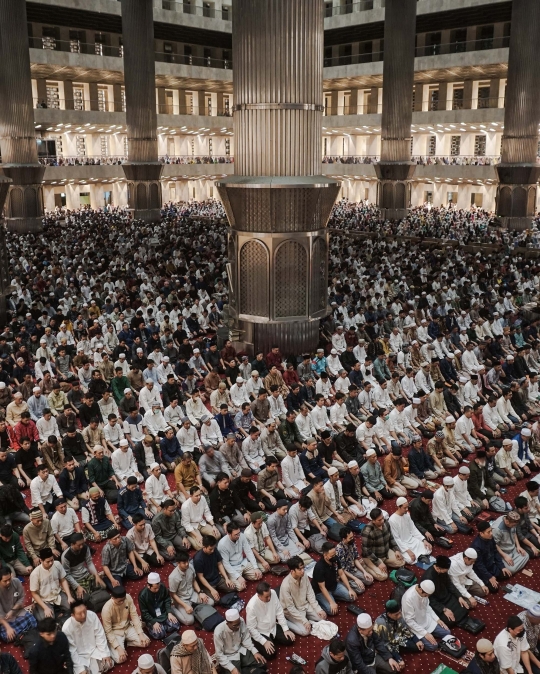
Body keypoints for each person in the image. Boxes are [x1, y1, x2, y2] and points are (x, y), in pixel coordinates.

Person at [62, 599, 114, 673]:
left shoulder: (92, 615)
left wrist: (104, 654)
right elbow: (72, 650)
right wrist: (80, 669)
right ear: (72, 615)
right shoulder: (67, 627)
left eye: (84, 611)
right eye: (80, 613)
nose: (83, 615)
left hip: (94, 650)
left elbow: (99, 635)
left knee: (109, 663)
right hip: (80, 656)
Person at [246, 581, 295, 659]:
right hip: (261, 632)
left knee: (290, 639)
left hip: (273, 627)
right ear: (259, 596)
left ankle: (272, 639)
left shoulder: (273, 593)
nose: (269, 598)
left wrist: (285, 629)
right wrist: (264, 641)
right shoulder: (251, 606)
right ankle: (263, 642)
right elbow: (251, 629)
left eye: (270, 595)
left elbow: (279, 611)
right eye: (266, 597)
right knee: (271, 654)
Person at [101, 586, 150, 664]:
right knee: (120, 659)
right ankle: (114, 645)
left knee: (146, 642)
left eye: (123, 600)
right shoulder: (106, 609)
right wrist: (119, 648)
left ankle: (127, 642)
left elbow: (134, 616)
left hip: (128, 627)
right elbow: (108, 631)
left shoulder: (128, 597)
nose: (122, 602)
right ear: (112, 598)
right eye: (119, 601)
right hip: (115, 632)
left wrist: (140, 634)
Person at [279, 555, 326, 636]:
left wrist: (318, 609)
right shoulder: (285, 585)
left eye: (303, 568)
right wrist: (304, 620)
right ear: (292, 571)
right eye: (299, 569)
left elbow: (310, 593)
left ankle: (307, 619)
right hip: (292, 611)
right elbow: (290, 608)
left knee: (322, 617)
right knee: (305, 631)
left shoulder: (304, 576)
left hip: (305, 605)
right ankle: (284, 622)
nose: (303, 571)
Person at [401, 579, 451, 652]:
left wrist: (437, 619)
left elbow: (427, 607)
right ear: (420, 590)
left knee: (447, 632)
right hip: (416, 627)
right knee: (433, 646)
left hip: (426, 620)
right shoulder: (408, 598)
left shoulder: (424, 592)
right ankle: (416, 640)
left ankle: (431, 634)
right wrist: (425, 633)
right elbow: (409, 621)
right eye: (426, 595)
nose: (427, 596)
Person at [168, 550, 214, 626]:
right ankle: (173, 609)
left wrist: (200, 592)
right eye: (184, 563)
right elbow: (173, 594)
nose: (187, 564)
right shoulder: (173, 577)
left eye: (187, 561)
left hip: (193, 594)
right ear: (178, 563)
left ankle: (194, 607)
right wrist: (185, 606)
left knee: (211, 602)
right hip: (182, 600)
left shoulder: (190, 567)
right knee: (189, 621)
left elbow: (194, 581)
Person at [421, 555, 469, 628]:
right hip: (437, 602)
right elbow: (429, 599)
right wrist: (443, 609)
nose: (447, 571)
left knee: (464, 609)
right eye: (445, 570)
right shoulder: (427, 578)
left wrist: (459, 596)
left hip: (447, 597)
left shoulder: (443, 571)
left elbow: (449, 584)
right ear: (438, 568)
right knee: (450, 622)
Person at [213, 608, 266, 673]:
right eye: (235, 625)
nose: (238, 627)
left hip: (241, 650)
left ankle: (247, 670)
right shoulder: (219, 632)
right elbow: (219, 654)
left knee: (262, 663)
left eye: (239, 624)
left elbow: (245, 639)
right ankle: (249, 670)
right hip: (228, 657)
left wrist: (254, 651)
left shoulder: (241, 621)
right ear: (227, 624)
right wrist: (231, 668)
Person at [312, 541, 357, 615]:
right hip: (321, 591)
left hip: (334, 585)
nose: (334, 557)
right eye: (331, 556)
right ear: (325, 555)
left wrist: (349, 589)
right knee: (332, 611)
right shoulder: (319, 567)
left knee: (352, 597)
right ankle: (323, 600)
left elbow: (341, 573)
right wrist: (331, 602)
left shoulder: (335, 558)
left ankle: (333, 596)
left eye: (334, 554)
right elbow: (322, 587)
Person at [30, 547, 74, 622]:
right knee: (48, 620)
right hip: (44, 599)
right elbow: (34, 593)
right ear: (41, 561)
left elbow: (63, 580)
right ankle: (37, 609)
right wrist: (45, 608)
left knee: (73, 607)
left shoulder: (57, 564)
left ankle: (56, 611)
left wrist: (69, 596)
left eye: (52, 560)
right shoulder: (35, 574)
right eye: (48, 561)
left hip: (57, 594)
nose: (51, 563)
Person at [361, 508, 405, 581]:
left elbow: (391, 537)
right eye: (379, 520)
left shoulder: (386, 523)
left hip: (385, 553)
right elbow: (367, 551)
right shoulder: (367, 532)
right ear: (373, 521)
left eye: (382, 518)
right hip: (373, 557)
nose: (382, 521)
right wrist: (378, 563)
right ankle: (365, 566)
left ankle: (384, 564)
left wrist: (396, 549)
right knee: (383, 576)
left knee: (402, 561)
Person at [217, 522, 262, 591]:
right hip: (232, 567)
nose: (238, 536)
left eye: (239, 533)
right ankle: (240, 576)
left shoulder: (242, 536)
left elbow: (248, 551)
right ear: (229, 534)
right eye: (236, 535)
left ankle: (244, 575)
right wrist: (238, 577)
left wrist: (255, 567)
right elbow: (226, 564)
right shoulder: (222, 544)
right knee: (241, 587)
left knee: (259, 575)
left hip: (243, 563)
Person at [267, 500, 313, 565]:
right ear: (278, 509)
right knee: (284, 559)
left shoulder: (286, 515)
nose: (286, 511)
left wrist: (296, 541)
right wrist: (282, 549)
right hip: (277, 543)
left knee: (302, 548)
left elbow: (289, 529)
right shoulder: (271, 520)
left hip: (286, 539)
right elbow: (273, 537)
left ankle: (294, 558)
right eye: (284, 509)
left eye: (286, 509)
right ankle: (297, 557)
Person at [471, 521, 512, 593]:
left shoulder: (490, 538)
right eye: (488, 532)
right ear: (481, 533)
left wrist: (502, 566)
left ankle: (494, 577)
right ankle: (491, 578)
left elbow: (495, 552)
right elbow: (479, 565)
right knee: (494, 589)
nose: (491, 533)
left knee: (506, 575)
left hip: (491, 565)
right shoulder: (476, 546)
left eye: (491, 531)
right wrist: (489, 577)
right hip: (482, 570)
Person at [389, 497, 432, 564]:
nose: (407, 509)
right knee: (410, 560)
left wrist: (423, 540)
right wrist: (408, 551)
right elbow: (396, 538)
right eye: (404, 508)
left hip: (411, 539)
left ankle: (420, 556)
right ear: (398, 507)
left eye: (407, 507)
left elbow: (413, 529)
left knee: (428, 548)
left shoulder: (407, 514)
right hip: (402, 544)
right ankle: (420, 556)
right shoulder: (392, 520)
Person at [193, 534, 237, 600]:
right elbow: (200, 577)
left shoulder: (214, 550)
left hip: (217, 578)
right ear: (204, 547)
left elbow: (219, 564)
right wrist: (211, 589)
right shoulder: (198, 559)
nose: (212, 551)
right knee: (215, 600)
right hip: (208, 582)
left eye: (213, 548)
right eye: (210, 549)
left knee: (233, 588)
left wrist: (226, 578)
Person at [61, 533, 105, 598]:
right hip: (76, 580)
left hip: (86, 574)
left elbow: (89, 563)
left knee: (103, 586)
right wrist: (77, 586)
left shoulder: (85, 547)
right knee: (84, 597)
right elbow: (67, 574)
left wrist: (96, 575)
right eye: (79, 545)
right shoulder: (65, 556)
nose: (81, 546)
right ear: (72, 544)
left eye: (82, 544)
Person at [0, 566, 37, 643]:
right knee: (6, 636)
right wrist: (8, 628)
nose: (8, 582)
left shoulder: (16, 581)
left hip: (18, 611)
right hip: (4, 619)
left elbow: (22, 598)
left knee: (33, 621)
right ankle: (23, 633)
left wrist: (13, 610)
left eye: (9, 579)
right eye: (5, 581)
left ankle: (19, 636)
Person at [138, 572, 179, 640]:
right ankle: (151, 627)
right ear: (148, 586)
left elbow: (167, 599)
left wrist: (169, 612)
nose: (157, 590)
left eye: (158, 587)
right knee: (159, 634)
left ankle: (162, 627)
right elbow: (144, 612)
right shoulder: (143, 595)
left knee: (176, 625)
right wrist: (153, 622)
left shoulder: (162, 587)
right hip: (152, 617)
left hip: (163, 614)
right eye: (155, 588)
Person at [180, 485, 220, 550]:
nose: (199, 497)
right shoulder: (185, 506)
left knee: (217, 535)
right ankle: (189, 537)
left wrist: (213, 525)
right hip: (191, 526)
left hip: (201, 523)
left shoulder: (203, 499)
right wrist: (197, 536)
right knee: (200, 546)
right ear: (191, 496)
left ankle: (203, 537)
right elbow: (186, 524)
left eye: (200, 495)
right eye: (196, 496)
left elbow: (207, 513)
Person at [336, 527, 374, 593]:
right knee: (361, 590)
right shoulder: (339, 550)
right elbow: (342, 570)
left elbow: (355, 559)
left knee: (369, 580)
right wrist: (356, 579)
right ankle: (343, 583)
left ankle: (356, 580)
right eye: (350, 538)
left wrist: (364, 572)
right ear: (344, 539)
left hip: (353, 569)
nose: (352, 539)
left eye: (352, 537)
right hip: (345, 574)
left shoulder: (351, 543)